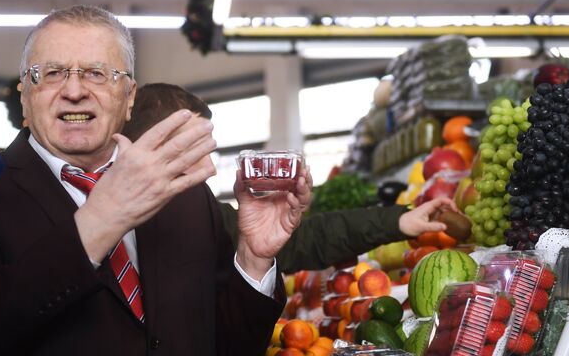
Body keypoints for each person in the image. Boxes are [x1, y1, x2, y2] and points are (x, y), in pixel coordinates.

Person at [0, 5, 312, 356]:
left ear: (129, 96)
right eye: (51, 73)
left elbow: (229, 346)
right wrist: (100, 219)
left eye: (97, 73)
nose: (74, 91)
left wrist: (253, 260)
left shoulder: (186, 197)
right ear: (25, 94)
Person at [122, 83, 459, 274]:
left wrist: (399, 220)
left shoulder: (201, 213)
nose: (208, 166)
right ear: (148, 145)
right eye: (191, 148)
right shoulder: (95, 222)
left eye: (208, 148)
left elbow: (300, 242)